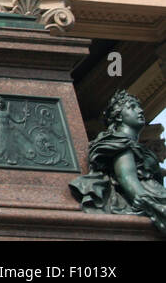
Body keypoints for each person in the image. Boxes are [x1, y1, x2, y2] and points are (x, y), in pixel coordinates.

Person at [69, 89, 166, 235]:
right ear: (118, 116)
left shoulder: (138, 147)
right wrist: (153, 206)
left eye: (139, 106)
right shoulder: (120, 143)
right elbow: (127, 178)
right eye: (132, 107)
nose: (139, 110)